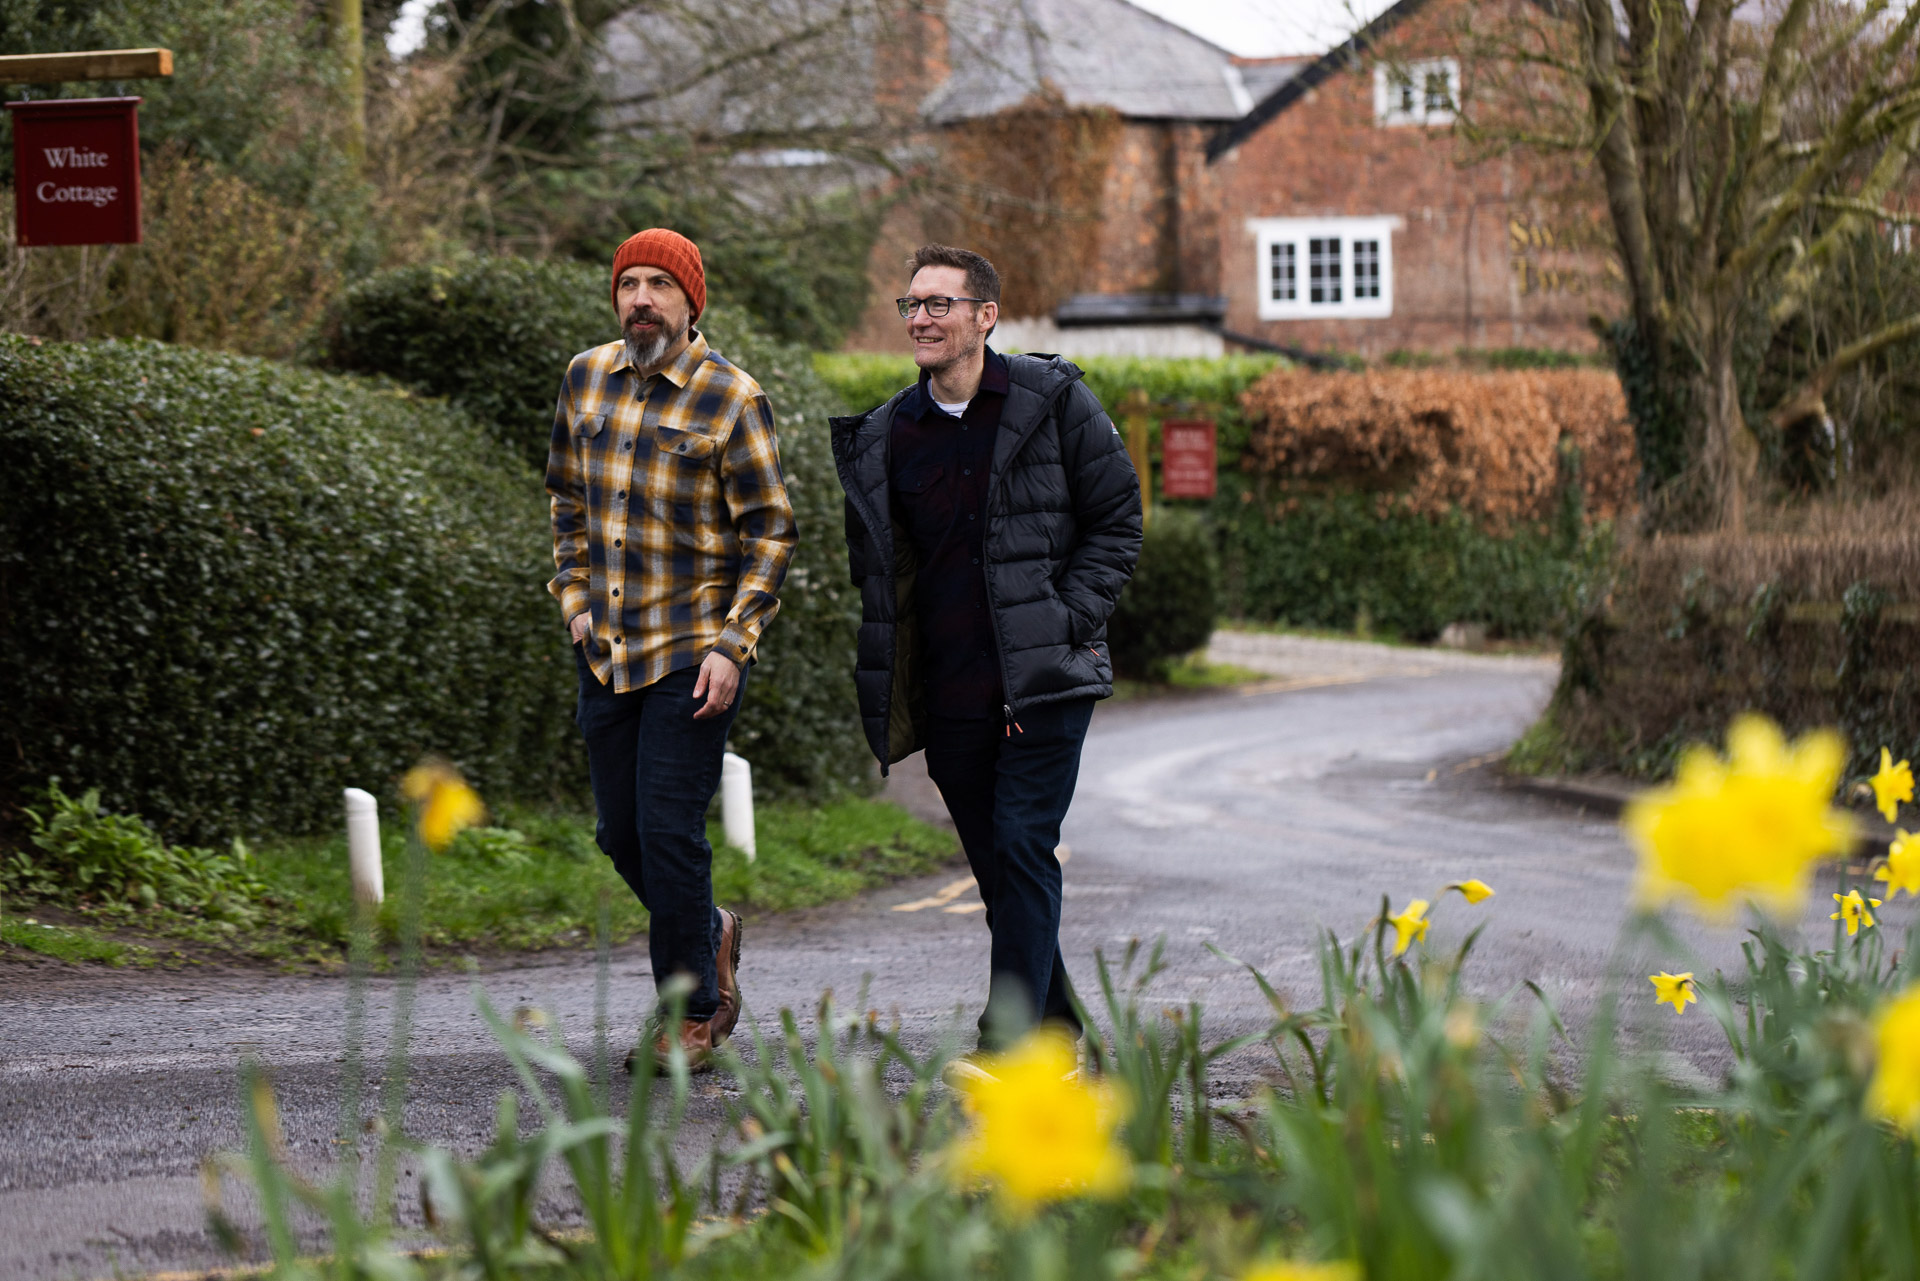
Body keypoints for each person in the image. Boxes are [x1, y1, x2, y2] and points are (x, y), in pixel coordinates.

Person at [830, 244, 1142, 1050]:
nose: (922, 318)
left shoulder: (1053, 400)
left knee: (1022, 846)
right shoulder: (888, 433)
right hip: (953, 695)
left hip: (1044, 682)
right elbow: (882, 569)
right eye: (912, 305)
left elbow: (1118, 518)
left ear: (984, 317)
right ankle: (1062, 1037)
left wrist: (1068, 619)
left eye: (939, 303)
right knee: (1005, 876)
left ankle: (1008, 1044)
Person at [546, 228, 797, 1069]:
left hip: (694, 647)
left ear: (692, 302)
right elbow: (565, 504)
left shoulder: (732, 397)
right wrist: (575, 602)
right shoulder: (585, 378)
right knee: (621, 833)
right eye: (629, 284)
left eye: (659, 285)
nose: (641, 299)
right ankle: (710, 929)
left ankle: (691, 1015)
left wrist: (736, 642)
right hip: (606, 647)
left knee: (669, 825)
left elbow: (770, 533)